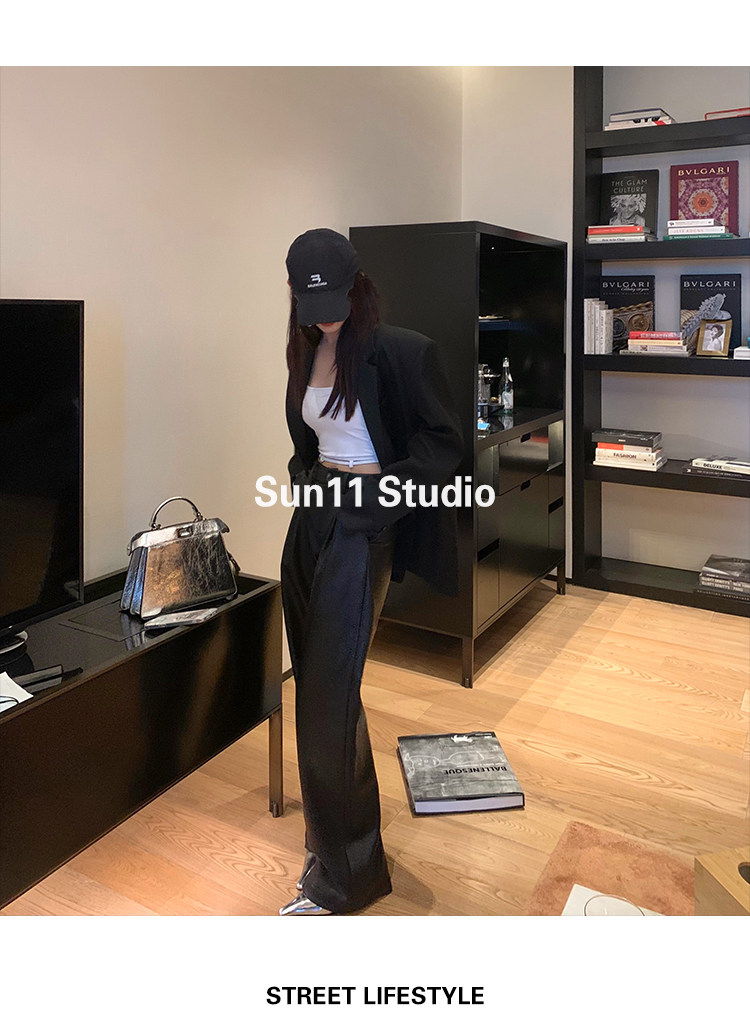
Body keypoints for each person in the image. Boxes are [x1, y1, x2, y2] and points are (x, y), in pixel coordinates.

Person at [279, 228, 464, 915]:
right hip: (312, 521)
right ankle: (330, 839)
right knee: (318, 689)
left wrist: (376, 495)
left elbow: (444, 444)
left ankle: (347, 878)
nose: (324, 317)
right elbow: (308, 440)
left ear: (357, 285)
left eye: (334, 300)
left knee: (330, 697)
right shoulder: (305, 349)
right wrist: (308, 483)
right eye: (311, 303)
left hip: (365, 523)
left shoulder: (403, 350)